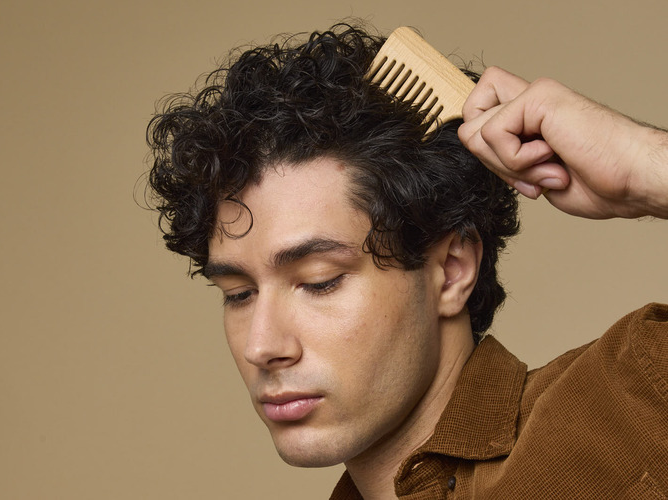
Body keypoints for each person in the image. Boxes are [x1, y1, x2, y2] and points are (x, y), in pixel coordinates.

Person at [146, 24, 667, 499]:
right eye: (238, 293)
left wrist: (645, 165)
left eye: (318, 282)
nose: (262, 346)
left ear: (452, 270)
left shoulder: (631, 399)